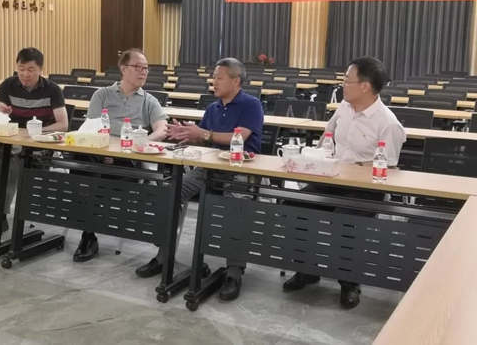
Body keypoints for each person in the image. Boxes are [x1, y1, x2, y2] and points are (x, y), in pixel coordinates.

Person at [282, 56, 406, 309]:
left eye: (347, 80)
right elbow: (326, 138)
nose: (342, 85)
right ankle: (306, 269)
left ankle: (349, 282)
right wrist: (313, 159)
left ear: (365, 86)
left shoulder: (388, 123)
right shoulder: (343, 108)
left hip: (365, 189)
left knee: (345, 220)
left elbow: (389, 167)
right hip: (332, 178)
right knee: (295, 204)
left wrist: (355, 169)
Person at [135, 57, 264, 302]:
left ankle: (234, 270)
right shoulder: (213, 108)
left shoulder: (251, 104)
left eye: (219, 78)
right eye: (213, 77)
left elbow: (239, 137)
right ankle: (164, 256)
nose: (213, 82)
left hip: (241, 168)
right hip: (208, 167)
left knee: (236, 207)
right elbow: (205, 140)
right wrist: (186, 134)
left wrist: (203, 133)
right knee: (171, 193)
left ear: (236, 81)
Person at [73, 48, 169, 262]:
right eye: (138, 67)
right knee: (82, 166)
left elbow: (162, 129)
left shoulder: (149, 101)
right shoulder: (102, 95)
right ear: (124, 69)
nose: (143, 72)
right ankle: (89, 232)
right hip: (98, 154)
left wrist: (140, 144)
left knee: (89, 180)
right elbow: (92, 127)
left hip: (128, 159)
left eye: (146, 68)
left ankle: (88, 234)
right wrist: (103, 151)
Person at [0, 47, 68, 238]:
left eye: (31, 69)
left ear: (41, 69)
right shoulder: (8, 85)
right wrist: (0, 113)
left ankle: (1, 216)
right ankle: (0, 214)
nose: (25, 74)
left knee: (10, 164)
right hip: (12, 140)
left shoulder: (52, 89)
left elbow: (63, 125)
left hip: (38, 144)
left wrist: (36, 132)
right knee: (3, 161)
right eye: (21, 69)